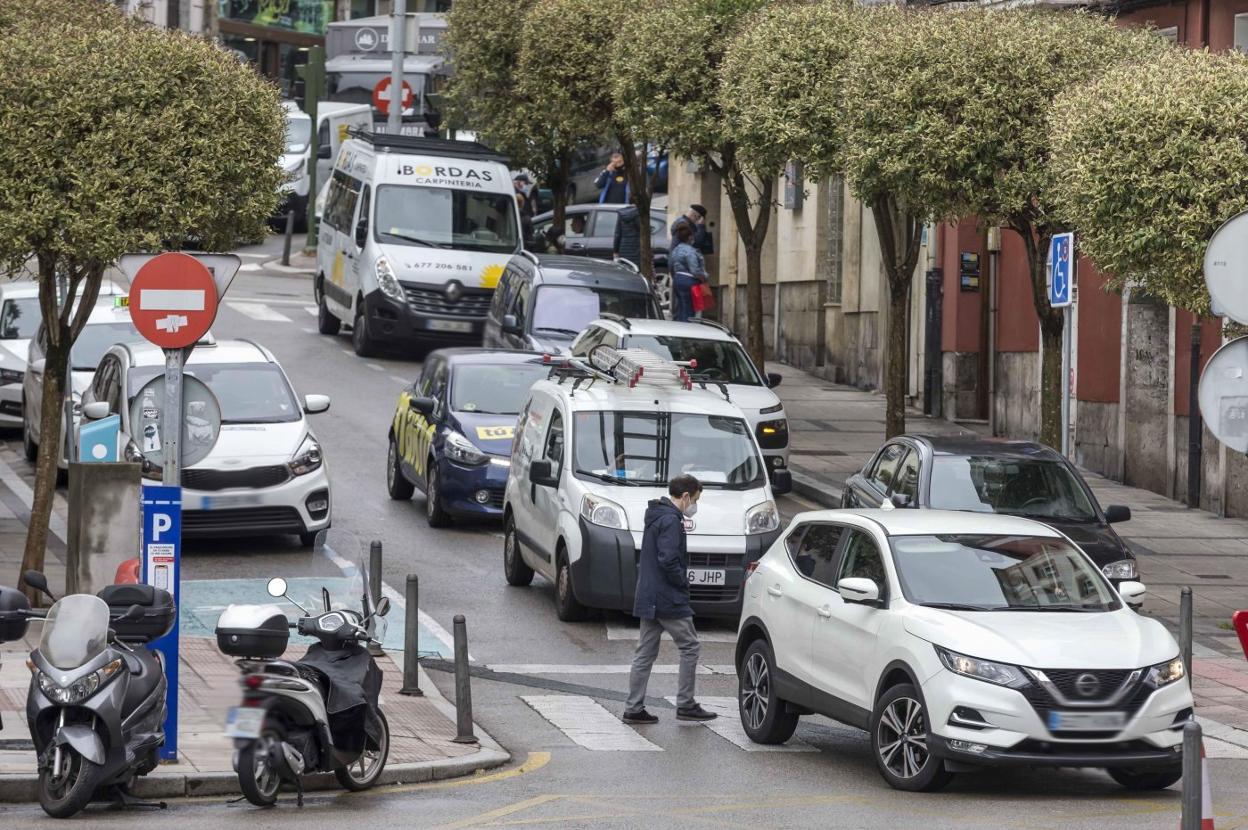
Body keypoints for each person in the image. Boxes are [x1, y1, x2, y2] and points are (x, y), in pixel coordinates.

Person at [623, 474, 716, 724]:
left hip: (649, 594)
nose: (695, 505)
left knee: (645, 652)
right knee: (690, 646)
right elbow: (668, 559)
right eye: (695, 499)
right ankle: (686, 703)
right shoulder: (671, 520)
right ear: (685, 496)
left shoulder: (656, 515)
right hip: (667, 597)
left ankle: (633, 707)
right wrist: (682, 582)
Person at [669, 223, 706, 322]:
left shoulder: (676, 250)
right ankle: (687, 333)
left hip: (678, 280)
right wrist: (704, 277)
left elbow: (671, 265)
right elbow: (695, 270)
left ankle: (680, 330)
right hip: (690, 281)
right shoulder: (691, 251)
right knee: (690, 311)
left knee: (681, 308)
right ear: (690, 237)